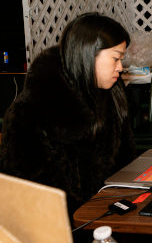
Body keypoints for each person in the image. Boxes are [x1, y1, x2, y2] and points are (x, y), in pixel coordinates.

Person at [0, 13, 137, 218]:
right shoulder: (29, 111)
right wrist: (92, 217)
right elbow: (36, 193)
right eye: (116, 58)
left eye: (121, 59)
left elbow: (125, 162)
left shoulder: (111, 94)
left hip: (103, 212)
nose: (120, 67)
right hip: (56, 222)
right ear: (87, 55)